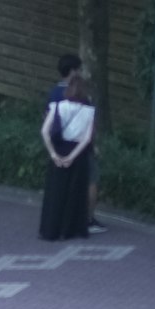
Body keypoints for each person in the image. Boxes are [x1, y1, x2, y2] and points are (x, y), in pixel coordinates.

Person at [37, 59, 100, 241]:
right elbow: (87, 138)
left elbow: (45, 131)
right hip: (77, 154)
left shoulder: (57, 105)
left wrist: (54, 154)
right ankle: (71, 229)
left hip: (59, 149)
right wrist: (72, 156)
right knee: (74, 192)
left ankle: (50, 229)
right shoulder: (88, 110)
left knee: (55, 192)